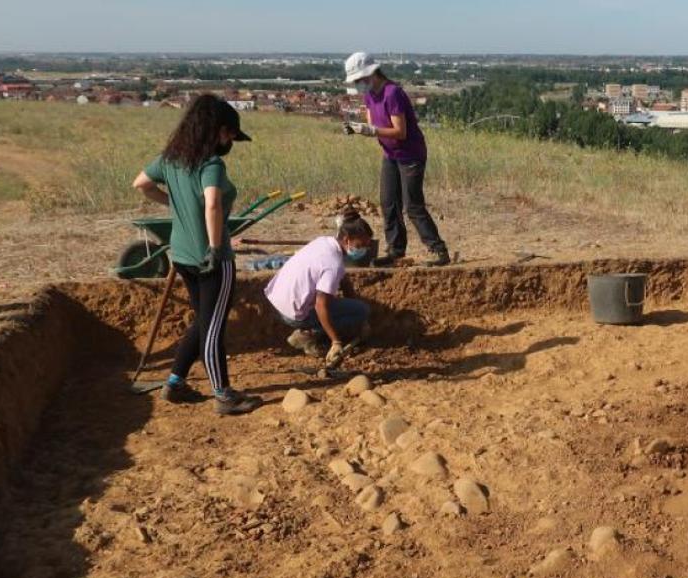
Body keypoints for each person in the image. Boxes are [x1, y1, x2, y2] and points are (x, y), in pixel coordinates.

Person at [132, 94, 262, 416]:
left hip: (182, 256)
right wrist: (216, 248)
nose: (230, 141)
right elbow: (213, 204)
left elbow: (141, 184)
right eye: (230, 134)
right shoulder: (211, 164)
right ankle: (223, 394)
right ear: (217, 130)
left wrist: (176, 205)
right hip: (211, 259)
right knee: (214, 327)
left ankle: (174, 383)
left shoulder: (170, 159)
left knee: (204, 320)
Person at [341, 52, 450, 268]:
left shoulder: (393, 93)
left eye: (357, 80)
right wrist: (359, 129)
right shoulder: (370, 95)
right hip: (391, 154)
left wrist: (370, 130)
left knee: (412, 205)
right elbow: (374, 124)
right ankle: (396, 251)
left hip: (410, 155)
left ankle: (438, 250)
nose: (357, 85)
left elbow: (400, 131)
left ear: (370, 74)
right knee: (389, 203)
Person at [264, 209, 373, 369]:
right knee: (361, 310)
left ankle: (309, 330)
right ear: (347, 239)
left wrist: (358, 315)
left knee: (356, 310)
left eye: (366, 246)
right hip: (293, 314)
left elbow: (344, 280)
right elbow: (321, 305)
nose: (362, 249)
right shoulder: (333, 265)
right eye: (360, 245)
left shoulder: (324, 242)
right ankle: (308, 335)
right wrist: (336, 342)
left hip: (275, 299)